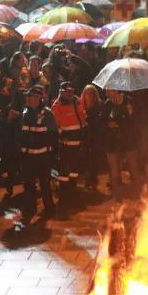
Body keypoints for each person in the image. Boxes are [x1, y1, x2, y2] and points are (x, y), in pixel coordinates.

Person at [17, 85, 57, 222]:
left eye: (31, 96)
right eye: (28, 96)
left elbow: (52, 134)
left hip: (42, 155)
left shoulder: (47, 114)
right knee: (29, 183)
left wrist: (51, 154)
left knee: (44, 182)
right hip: (28, 156)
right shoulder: (25, 113)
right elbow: (21, 133)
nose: (28, 99)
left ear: (38, 98)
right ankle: (30, 207)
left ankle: (49, 207)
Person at [51, 82, 85, 218]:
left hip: (77, 140)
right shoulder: (57, 106)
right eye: (68, 91)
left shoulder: (75, 102)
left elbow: (82, 117)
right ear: (62, 92)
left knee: (74, 169)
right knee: (64, 170)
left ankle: (72, 192)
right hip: (65, 142)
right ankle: (63, 196)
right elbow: (55, 125)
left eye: (72, 91)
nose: (71, 94)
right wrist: (61, 136)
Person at [103, 89, 139, 201]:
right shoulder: (107, 104)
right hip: (113, 143)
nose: (106, 92)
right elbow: (101, 121)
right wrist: (107, 124)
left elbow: (135, 121)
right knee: (114, 172)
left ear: (116, 90)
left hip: (128, 141)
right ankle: (117, 197)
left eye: (109, 90)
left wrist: (129, 115)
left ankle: (137, 195)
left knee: (133, 170)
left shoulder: (129, 102)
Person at [80, 85, 105, 194]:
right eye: (87, 93)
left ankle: (93, 181)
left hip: (96, 135)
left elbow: (102, 120)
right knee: (85, 158)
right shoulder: (80, 106)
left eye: (91, 93)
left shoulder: (99, 105)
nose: (89, 96)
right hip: (85, 135)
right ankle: (87, 180)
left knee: (94, 158)